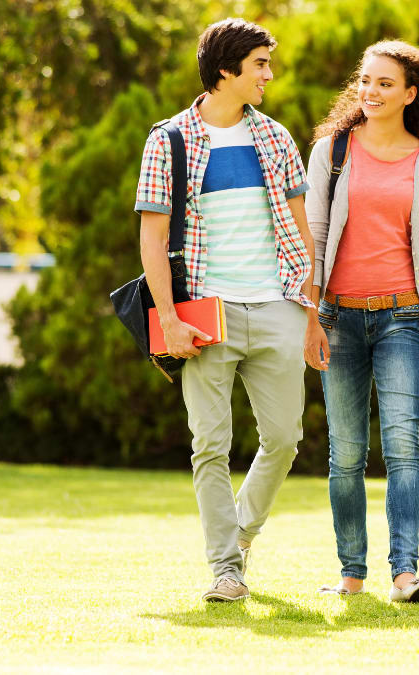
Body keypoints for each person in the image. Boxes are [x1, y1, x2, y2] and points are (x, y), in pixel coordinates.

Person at [134, 18, 317, 603]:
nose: (269, 74)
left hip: (276, 304)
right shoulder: (170, 140)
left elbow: (302, 227)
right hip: (203, 312)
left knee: (285, 436)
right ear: (225, 70)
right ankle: (225, 569)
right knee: (209, 444)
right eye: (260, 64)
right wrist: (168, 318)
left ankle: (239, 537)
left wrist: (310, 309)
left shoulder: (277, 138)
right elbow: (152, 239)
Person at [303, 40, 419, 603]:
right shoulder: (331, 152)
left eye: (385, 83)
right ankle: (351, 572)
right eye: (365, 80)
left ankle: (405, 573)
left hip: (403, 318)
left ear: (411, 93)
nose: (371, 91)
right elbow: (313, 241)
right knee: (344, 454)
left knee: (402, 449)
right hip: (337, 317)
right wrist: (310, 318)